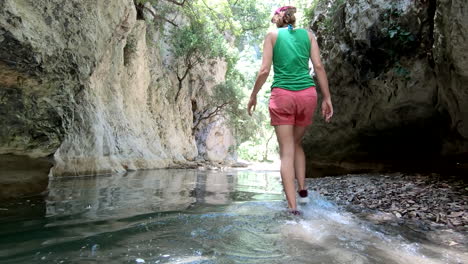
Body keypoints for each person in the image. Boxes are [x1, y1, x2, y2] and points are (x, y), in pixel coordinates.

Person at [247, 6, 333, 215]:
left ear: (278, 18)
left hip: (283, 96)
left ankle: (293, 209)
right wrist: (327, 98)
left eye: (272, 18)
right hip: (307, 96)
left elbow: (265, 70)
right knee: (296, 143)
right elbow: (319, 66)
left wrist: (253, 94)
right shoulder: (309, 35)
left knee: (286, 151)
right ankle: (303, 192)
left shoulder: (272, 35)